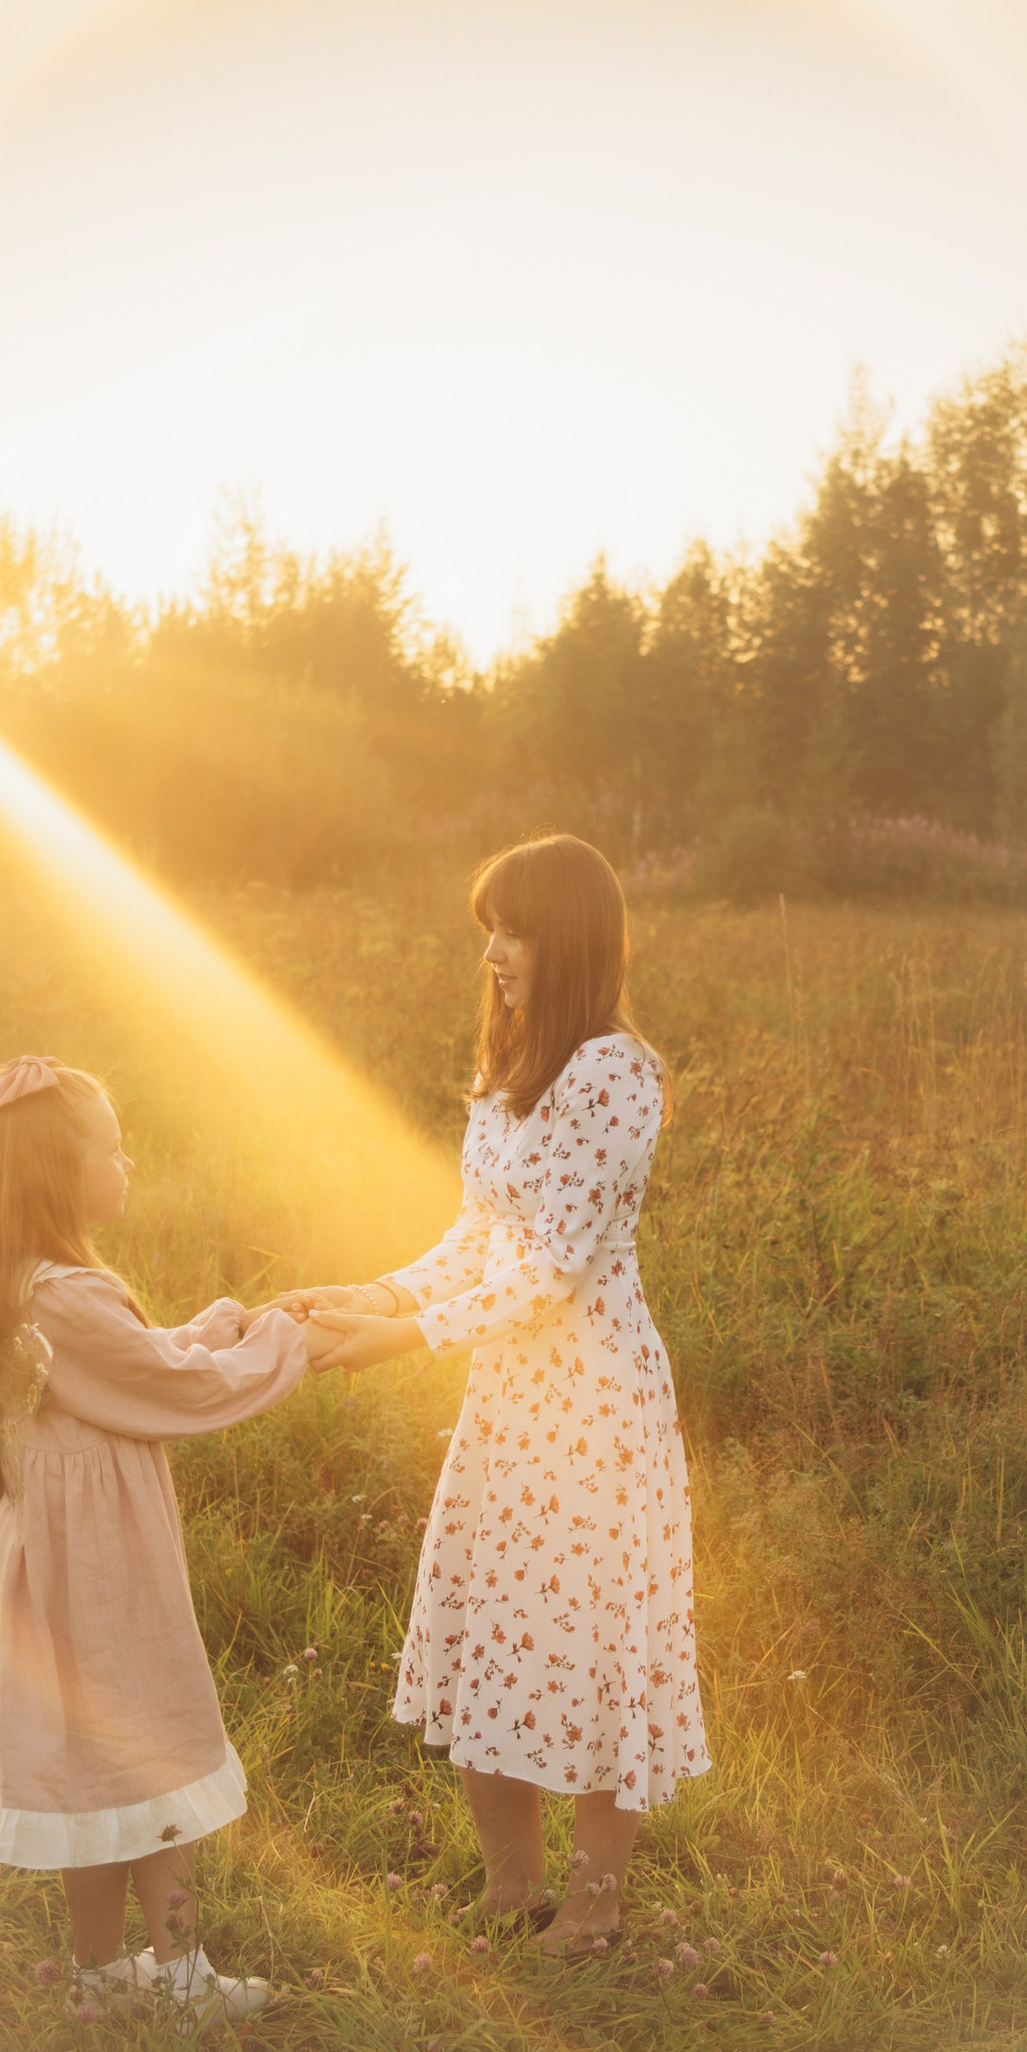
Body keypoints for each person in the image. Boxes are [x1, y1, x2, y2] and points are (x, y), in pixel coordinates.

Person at [288, 834, 706, 1960]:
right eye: (488, 929)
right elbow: (479, 1239)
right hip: (510, 1404)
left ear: (566, 939)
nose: (493, 953)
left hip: (594, 1404)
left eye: (512, 930)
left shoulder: (616, 1074)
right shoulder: (512, 1068)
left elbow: (551, 1264)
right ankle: (511, 1888)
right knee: (494, 1638)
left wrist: (402, 1339)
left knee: (587, 1651)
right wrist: (372, 1290)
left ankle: (596, 1902)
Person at [0, 1054, 315, 2017]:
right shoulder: (68, 1297)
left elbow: (131, 1368)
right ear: (62, 1174)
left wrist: (218, 1325)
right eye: (112, 1146)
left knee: (88, 1772)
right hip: (97, 1572)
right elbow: (170, 1391)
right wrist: (282, 1344)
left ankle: (103, 1981)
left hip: (47, 1566)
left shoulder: (19, 1283)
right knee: (146, 1756)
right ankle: (182, 1978)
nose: (128, 1161)